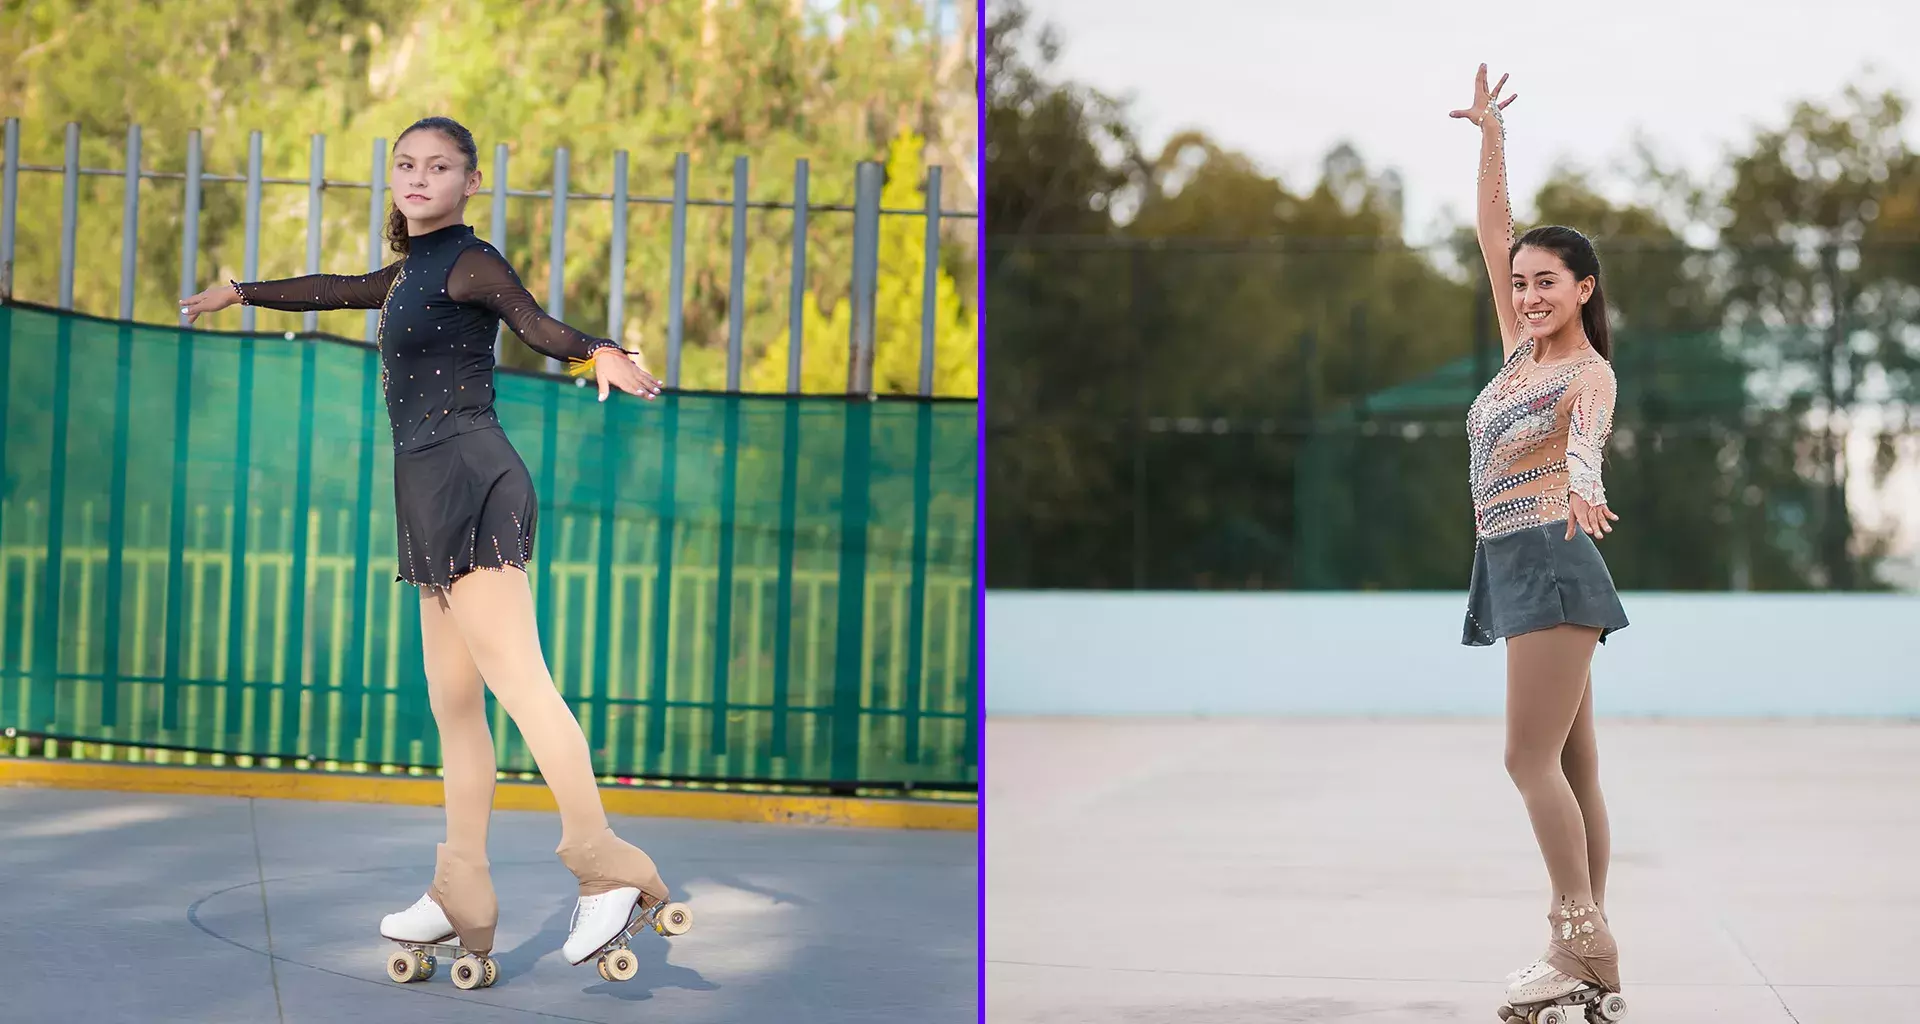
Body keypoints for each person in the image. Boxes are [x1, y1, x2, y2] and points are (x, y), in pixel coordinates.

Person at [180, 115, 690, 987]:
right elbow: (334, 287)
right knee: (456, 705)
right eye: (406, 164)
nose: (419, 177)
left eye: (439, 165)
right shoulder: (407, 272)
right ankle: (462, 888)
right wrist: (243, 291)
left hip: (471, 476)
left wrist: (598, 350)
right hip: (425, 491)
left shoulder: (471, 260)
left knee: (520, 683)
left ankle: (605, 863)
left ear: (469, 180)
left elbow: (535, 324)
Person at [1449, 67, 1632, 1024]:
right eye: (1520, 283)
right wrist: (1490, 136)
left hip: (1555, 554)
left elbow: (1591, 440)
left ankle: (1579, 943)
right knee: (1577, 769)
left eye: (1545, 283)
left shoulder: (1587, 373)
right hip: (1519, 561)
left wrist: (1585, 485)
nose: (1525, 294)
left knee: (1529, 762)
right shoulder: (1522, 352)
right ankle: (1585, 957)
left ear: (1582, 289)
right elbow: (1492, 230)